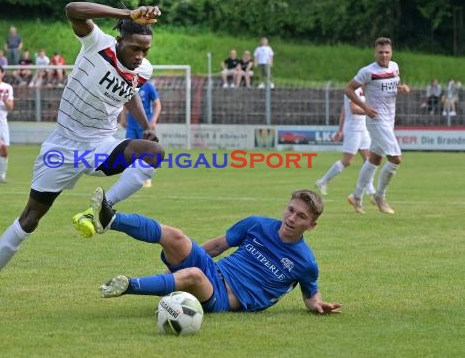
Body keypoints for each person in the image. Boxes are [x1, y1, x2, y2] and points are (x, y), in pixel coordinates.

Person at [0, 1, 163, 314]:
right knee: (29, 219)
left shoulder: (143, 70)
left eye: (146, 51)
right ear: (120, 41)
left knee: (153, 153)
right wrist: (126, 14)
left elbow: (131, 91)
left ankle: (96, 212)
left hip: (99, 146)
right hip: (60, 149)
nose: (141, 56)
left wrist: (148, 126)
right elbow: (73, 9)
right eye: (136, 48)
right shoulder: (97, 43)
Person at [90, 187, 342, 315]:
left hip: (222, 298)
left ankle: (127, 285)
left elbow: (311, 296)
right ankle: (111, 219)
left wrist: (319, 306)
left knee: (194, 276)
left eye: (301, 216)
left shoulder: (306, 262)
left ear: (311, 225)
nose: (291, 218)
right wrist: (179, 261)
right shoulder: (257, 224)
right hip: (214, 270)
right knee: (176, 236)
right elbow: (218, 246)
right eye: (290, 210)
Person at [345, 37, 410, 215]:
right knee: (396, 158)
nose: (384, 55)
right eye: (380, 52)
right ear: (375, 53)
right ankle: (379, 196)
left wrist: (402, 89)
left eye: (387, 52)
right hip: (376, 120)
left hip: (390, 120)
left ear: (391, 52)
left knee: (374, 159)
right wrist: (365, 108)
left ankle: (356, 196)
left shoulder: (395, 67)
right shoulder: (367, 71)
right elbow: (348, 89)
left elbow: (392, 89)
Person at [315, 88, 375, 196]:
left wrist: (340, 130)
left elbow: (344, 111)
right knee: (347, 161)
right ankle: (322, 181)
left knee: (369, 159)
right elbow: (353, 109)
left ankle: (370, 188)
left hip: (362, 129)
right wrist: (369, 112)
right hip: (353, 130)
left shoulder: (362, 90)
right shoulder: (354, 90)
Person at [120, 80, 162, 187]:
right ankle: (129, 178)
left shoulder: (148, 86)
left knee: (146, 152)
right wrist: (123, 118)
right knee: (128, 151)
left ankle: (146, 179)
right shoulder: (130, 85)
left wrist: (154, 120)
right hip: (131, 125)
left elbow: (157, 103)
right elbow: (126, 103)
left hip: (144, 126)